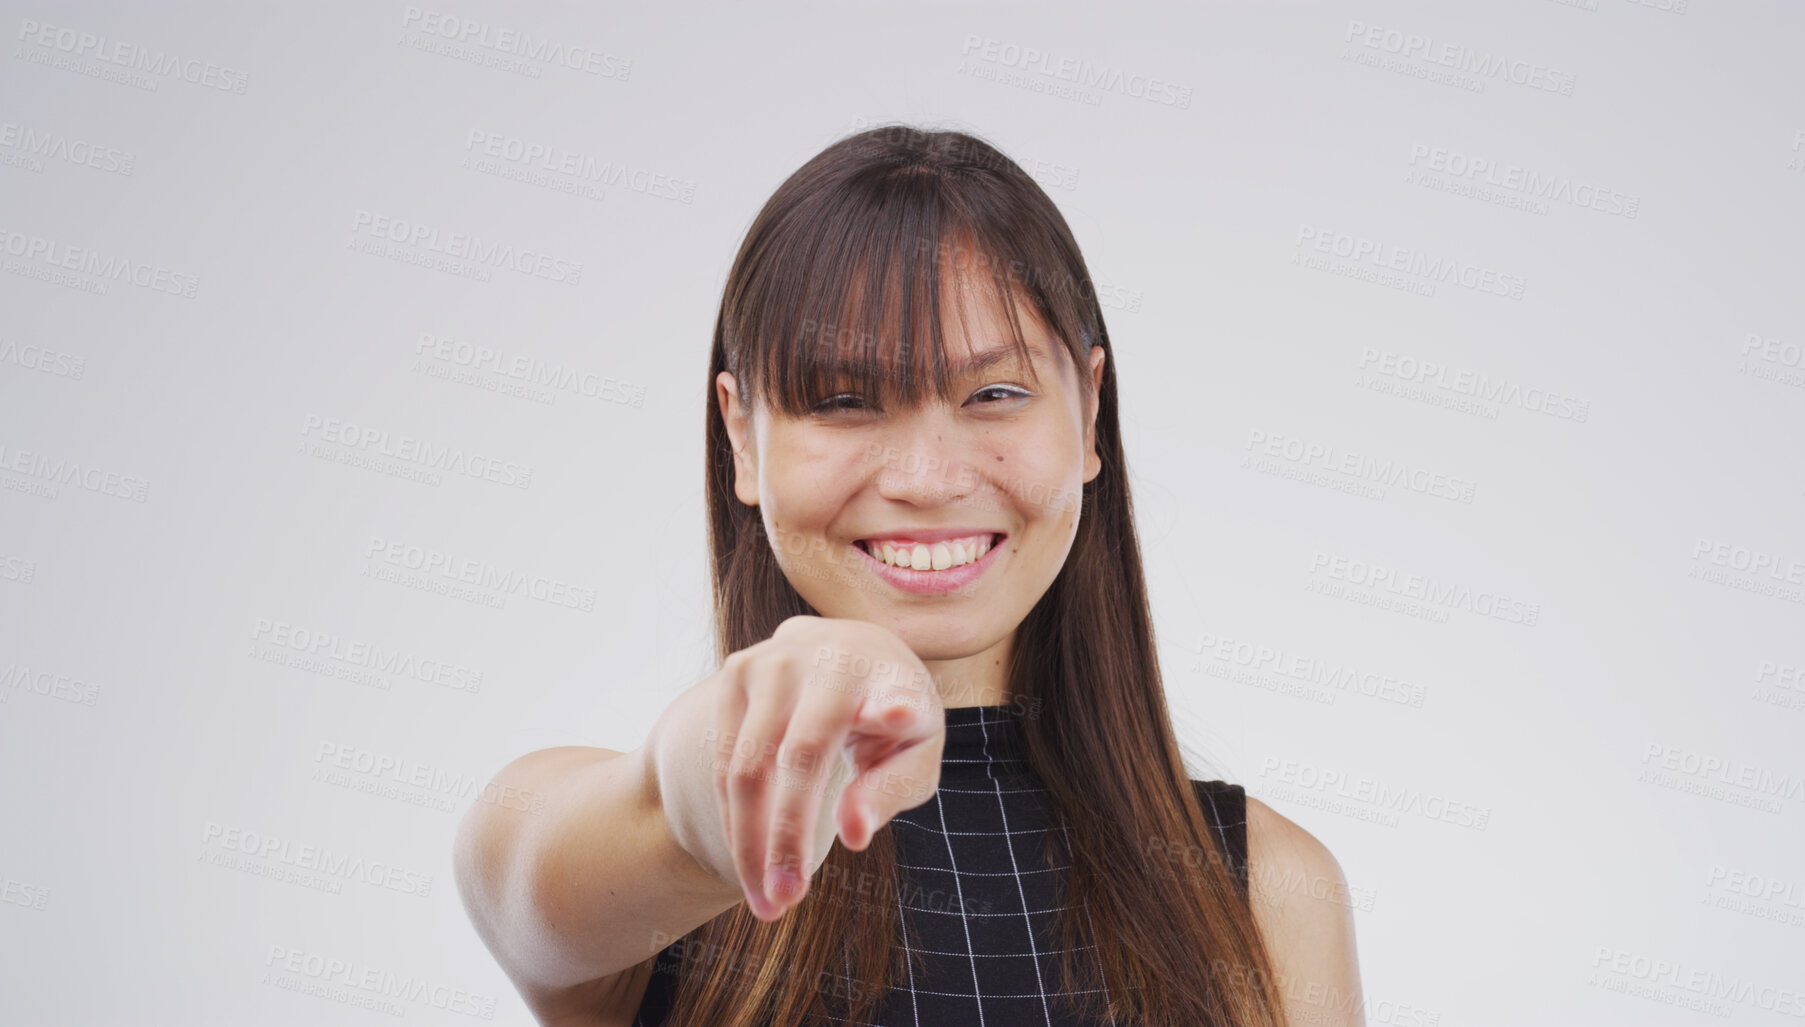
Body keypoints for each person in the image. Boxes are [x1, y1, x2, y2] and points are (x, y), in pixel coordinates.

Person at [454, 123, 1365, 1027]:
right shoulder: (568, 837)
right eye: (843, 400)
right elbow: (622, 829)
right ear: (740, 434)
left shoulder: (1270, 891)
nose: (928, 479)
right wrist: (738, 769)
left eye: (994, 394)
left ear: (1090, 412)